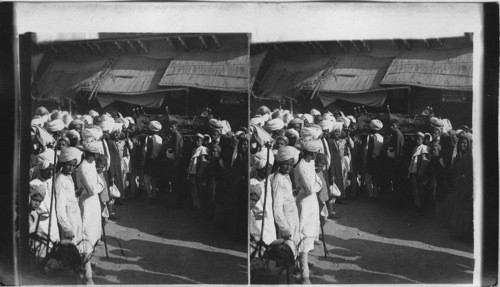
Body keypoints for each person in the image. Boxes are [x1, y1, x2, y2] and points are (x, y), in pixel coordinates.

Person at [294, 137, 322, 284]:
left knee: (310, 233)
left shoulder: (310, 164)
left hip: (311, 204)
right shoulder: (301, 167)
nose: (315, 156)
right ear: (311, 153)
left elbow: (317, 181)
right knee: (303, 235)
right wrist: (318, 185)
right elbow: (312, 188)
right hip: (304, 204)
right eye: (315, 153)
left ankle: (302, 262)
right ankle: (305, 276)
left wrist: (318, 184)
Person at [75, 139, 103, 285]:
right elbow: (93, 189)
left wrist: (99, 186)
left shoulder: (92, 165)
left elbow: (100, 183)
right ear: (94, 154)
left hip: (94, 204)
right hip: (87, 204)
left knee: (93, 235)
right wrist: (99, 187)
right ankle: (87, 276)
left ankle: (86, 266)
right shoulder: (83, 167)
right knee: (86, 238)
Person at [272, 146, 300, 258]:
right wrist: (284, 227)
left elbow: (286, 196)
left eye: (291, 164)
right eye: (286, 164)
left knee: (295, 242)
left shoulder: (286, 176)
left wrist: (293, 194)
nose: (288, 167)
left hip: (293, 215)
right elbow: (277, 206)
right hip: (286, 217)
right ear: (280, 163)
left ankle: (296, 264)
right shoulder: (278, 179)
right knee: (287, 246)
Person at [55, 147, 83, 248]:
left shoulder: (69, 176)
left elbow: (68, 197)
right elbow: (60, 207)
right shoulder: (60, 180)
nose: (71, 168)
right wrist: (67, 228)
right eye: (69, 165)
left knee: (77, 245)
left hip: (75, 216)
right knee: (69, 249)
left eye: (73, 165)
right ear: (63, 163)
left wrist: (76, 194)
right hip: (68, 220)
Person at [250, 147, 277, 246]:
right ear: (258, 167)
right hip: (257, 222)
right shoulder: (253, 184)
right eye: (264, 168)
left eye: (269, 168)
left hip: (269, 221)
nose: (267, 171)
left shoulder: (268, 182)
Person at [449, 133, 473, 242]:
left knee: (465, 212)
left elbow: (471, 174)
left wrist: (461, 176)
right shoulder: (458, 157)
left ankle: (464, 236)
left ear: (468, 145)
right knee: (457, 210)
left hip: (466, 188)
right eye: (461, 143)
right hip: (457, 188)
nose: (462, 145)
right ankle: (457, 234)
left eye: (465, 143)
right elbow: (453, 170)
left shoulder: (469, 158)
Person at [408, 132, 429, 217]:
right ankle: (416, 206)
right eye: (416, 138)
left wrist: (420, 174)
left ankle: (419, 209)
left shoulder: (423, 148)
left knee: (419, 192)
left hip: (418, 174)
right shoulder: (415, 148)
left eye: (419, 139)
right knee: (415, 191)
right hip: (413, 172)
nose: (417, 140)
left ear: (423, 140)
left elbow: (424, 162)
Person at [142, 121, 163, 202]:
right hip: (157, 161)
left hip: (149, 161)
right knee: (154, 179)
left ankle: (150, 196)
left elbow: (144, 151)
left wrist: (143, 162)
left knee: (146, 180)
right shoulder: (160, 139)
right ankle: (155, 196)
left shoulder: (148, 138)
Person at [363, 119, 384, 201]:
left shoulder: (370, 137)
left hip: (371, 160)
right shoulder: (381, 138)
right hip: (378, 160)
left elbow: (366, 150)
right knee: (375, 179)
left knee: (368, 179)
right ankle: (376, 194)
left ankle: (371, 195)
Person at [187, 134, 208, 211]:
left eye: (198, 141)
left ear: (202, 141)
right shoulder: (194, 149)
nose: (196, 142)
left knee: (198, 191)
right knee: (193, 190)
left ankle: (199, 208)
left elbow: (203, 163)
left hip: (198, 173)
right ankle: (195, 205)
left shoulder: (203, 149)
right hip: (192, 172)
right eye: (195, 140)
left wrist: (199, 174)